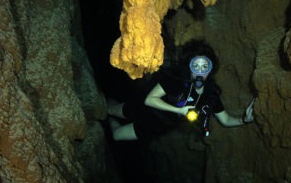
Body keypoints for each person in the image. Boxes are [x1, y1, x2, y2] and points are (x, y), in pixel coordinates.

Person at [108, 40, 255, 142]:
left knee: (116, 135)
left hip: (157, 126)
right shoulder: (177, 80)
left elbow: (226, 120)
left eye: (205, 67)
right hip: (142, 107)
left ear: (210, 70)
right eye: (195, 66)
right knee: (111, 110)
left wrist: (244, 120)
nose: (200, 71)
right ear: (189, 66)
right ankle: (105, 103)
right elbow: (150, 100)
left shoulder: (210, 95)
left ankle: (107, 118)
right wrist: (178, 110)